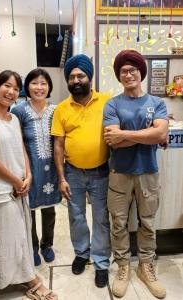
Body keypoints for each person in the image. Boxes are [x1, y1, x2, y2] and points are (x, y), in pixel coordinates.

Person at [0, 70, 57, 300]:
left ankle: (24, 274)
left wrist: (28, 175)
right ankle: (30, 280)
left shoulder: (14, 118)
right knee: (9, 238)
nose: (10, 92)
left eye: (14, 88)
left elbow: (21, 149)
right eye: (6, 86)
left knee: (20, 234)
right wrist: (17, 181)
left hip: (19, 187)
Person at [103, 50, 168, 299]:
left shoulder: (157, 103)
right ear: (119, 76)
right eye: (123, 71)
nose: (128, 74)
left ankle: (145, 266)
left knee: (148, 222)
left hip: (148, 171)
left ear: (141, 72)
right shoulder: (113, 104)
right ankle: (123, 266)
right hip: (119, 172)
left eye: (132, 70)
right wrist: (147, 134)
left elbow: (161, 135)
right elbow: (112, 140)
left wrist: (126, 135)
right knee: (118, 222)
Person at [51, 54, 111, 288]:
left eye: (81, 76)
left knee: (100, 218)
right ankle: (81, 253)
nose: (76, 80)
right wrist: (61, 177)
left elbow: (124, 122)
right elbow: (58, 145)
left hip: (101, 171)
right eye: (72, 76)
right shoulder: (62, 109)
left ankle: (101, 261)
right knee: (76, 216)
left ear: (89, 77)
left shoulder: (107, 101)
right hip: (73, 172)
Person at [11, 68, 61, 266]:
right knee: (28, 210)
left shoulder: (56, 110)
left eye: (43, 83)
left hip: (52, 168)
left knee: (49, 210)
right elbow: (16, 142)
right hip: (28, 169)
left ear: (49, 87)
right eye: (34, 83)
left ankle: (46, 245)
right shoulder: (19, 111)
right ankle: (32, 248)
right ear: (27, 86)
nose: (39, 87)